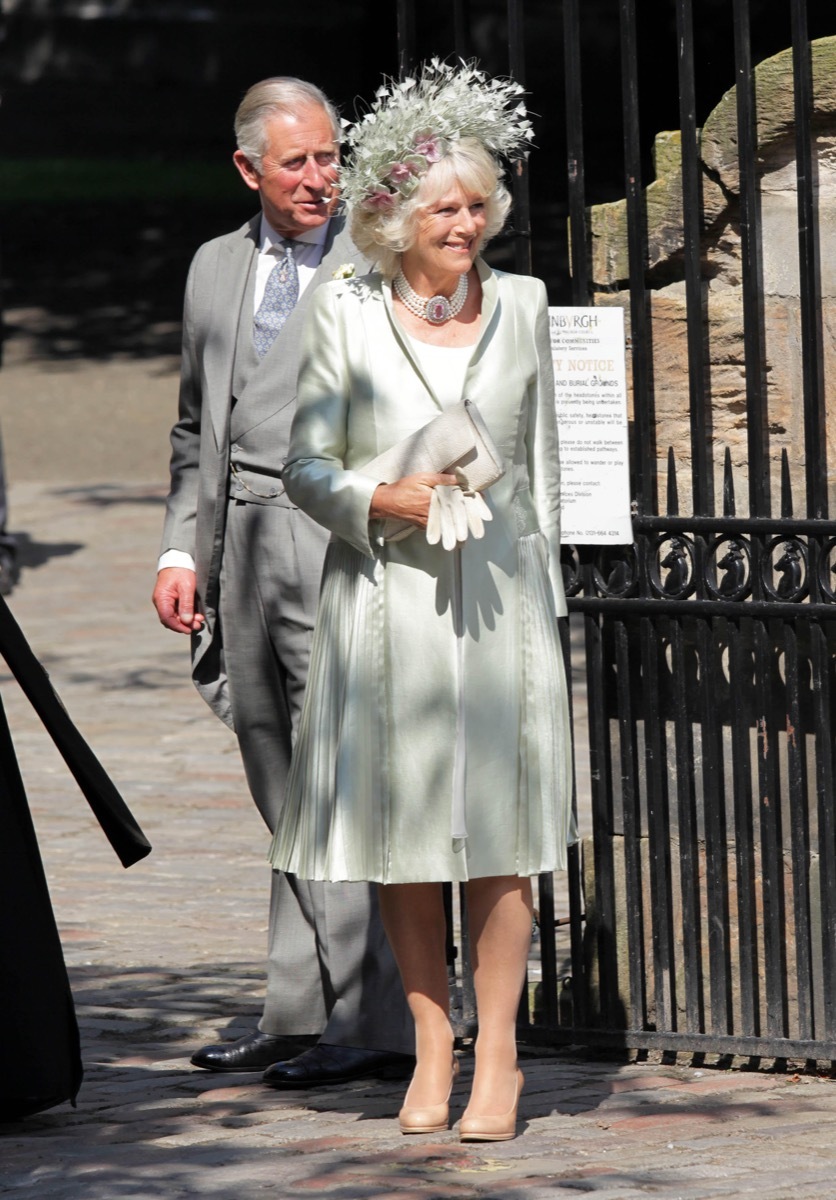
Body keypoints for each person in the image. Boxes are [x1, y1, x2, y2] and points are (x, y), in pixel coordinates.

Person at [268, 61, 575, 1141]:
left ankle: (498, 1053)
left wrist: (554, 600)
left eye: (477, 201)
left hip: (497, 607)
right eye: (443, 205)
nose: (465, 220)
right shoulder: (344, 315)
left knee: (497, 832)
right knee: (404, 838)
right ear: (393, 219)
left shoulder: (529, 307)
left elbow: (549, 466)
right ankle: (429, 1043)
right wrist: (377, 494)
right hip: (386, 603)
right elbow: (302, 468)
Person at [152, 77, 414, 1088]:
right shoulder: (214, 267)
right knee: (281, 784)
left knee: (342, 780)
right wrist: (183, 551)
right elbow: (191, 428)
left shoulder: (379, 258)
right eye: (296, 161)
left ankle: (377, 1020)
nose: (318, 178)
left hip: (338, 545)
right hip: (237, 551)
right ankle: (300, 1009)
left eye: (328, 156)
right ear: (247, 169)